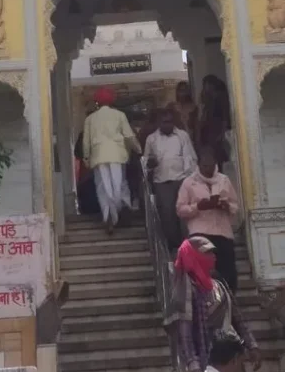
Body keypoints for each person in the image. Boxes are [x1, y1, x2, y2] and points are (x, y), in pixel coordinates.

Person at [166, 236, 260, 372]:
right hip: (206, 359)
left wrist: (252, 345)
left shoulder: (219, 284)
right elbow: (184, 333)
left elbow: (237, 317)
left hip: (229, 354)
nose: (213, 257)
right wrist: (193, 366)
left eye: (213, 253)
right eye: (207, 253)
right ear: (194, 256)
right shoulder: (186, 288)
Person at [177, 145, 240, 292]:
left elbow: (235, 206)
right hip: (200, 233)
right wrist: (198, 207)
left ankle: (229, 305)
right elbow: (180, 210)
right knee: (202, 274)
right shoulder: (188, 182)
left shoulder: (223, 180)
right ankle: (205, 307)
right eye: (205, 166)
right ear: (198, 165)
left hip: (223, 233)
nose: (208, 169)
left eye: (211, 166)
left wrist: (226, 206)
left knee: (228, 274)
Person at [82, 87, 141, 234]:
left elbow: (86, 142)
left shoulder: (90, 119)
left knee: (103, 187)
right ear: (112, 100)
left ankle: (109, 216)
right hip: (117, 154)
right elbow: (129, 136)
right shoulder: (119, 115)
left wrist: (86, 157)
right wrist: (139, 150)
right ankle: (122, 208)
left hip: (98, 156)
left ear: (97, 102)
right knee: (119, 184)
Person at [144, 106, 198, 249]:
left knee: (184, 213)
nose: (167, 125)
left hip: (182, 179)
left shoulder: (182, 136)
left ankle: (188, 244)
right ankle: (174, 245)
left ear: (173, 121)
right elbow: (146, 162)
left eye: (169, 121)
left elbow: (191, 157)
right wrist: (150, 163)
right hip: (161, 181)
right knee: (167, 214)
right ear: (159, 123)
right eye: (164, 122)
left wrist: (192, 180)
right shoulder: (151, 139)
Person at [198, 74, 232, 168]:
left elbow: (225, 117)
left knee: (219, 158)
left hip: (217, 132)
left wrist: (222, 133)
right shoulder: (210, 99)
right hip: (211, 132)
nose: (204, 87)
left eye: (205, 85)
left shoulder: (220, 98)